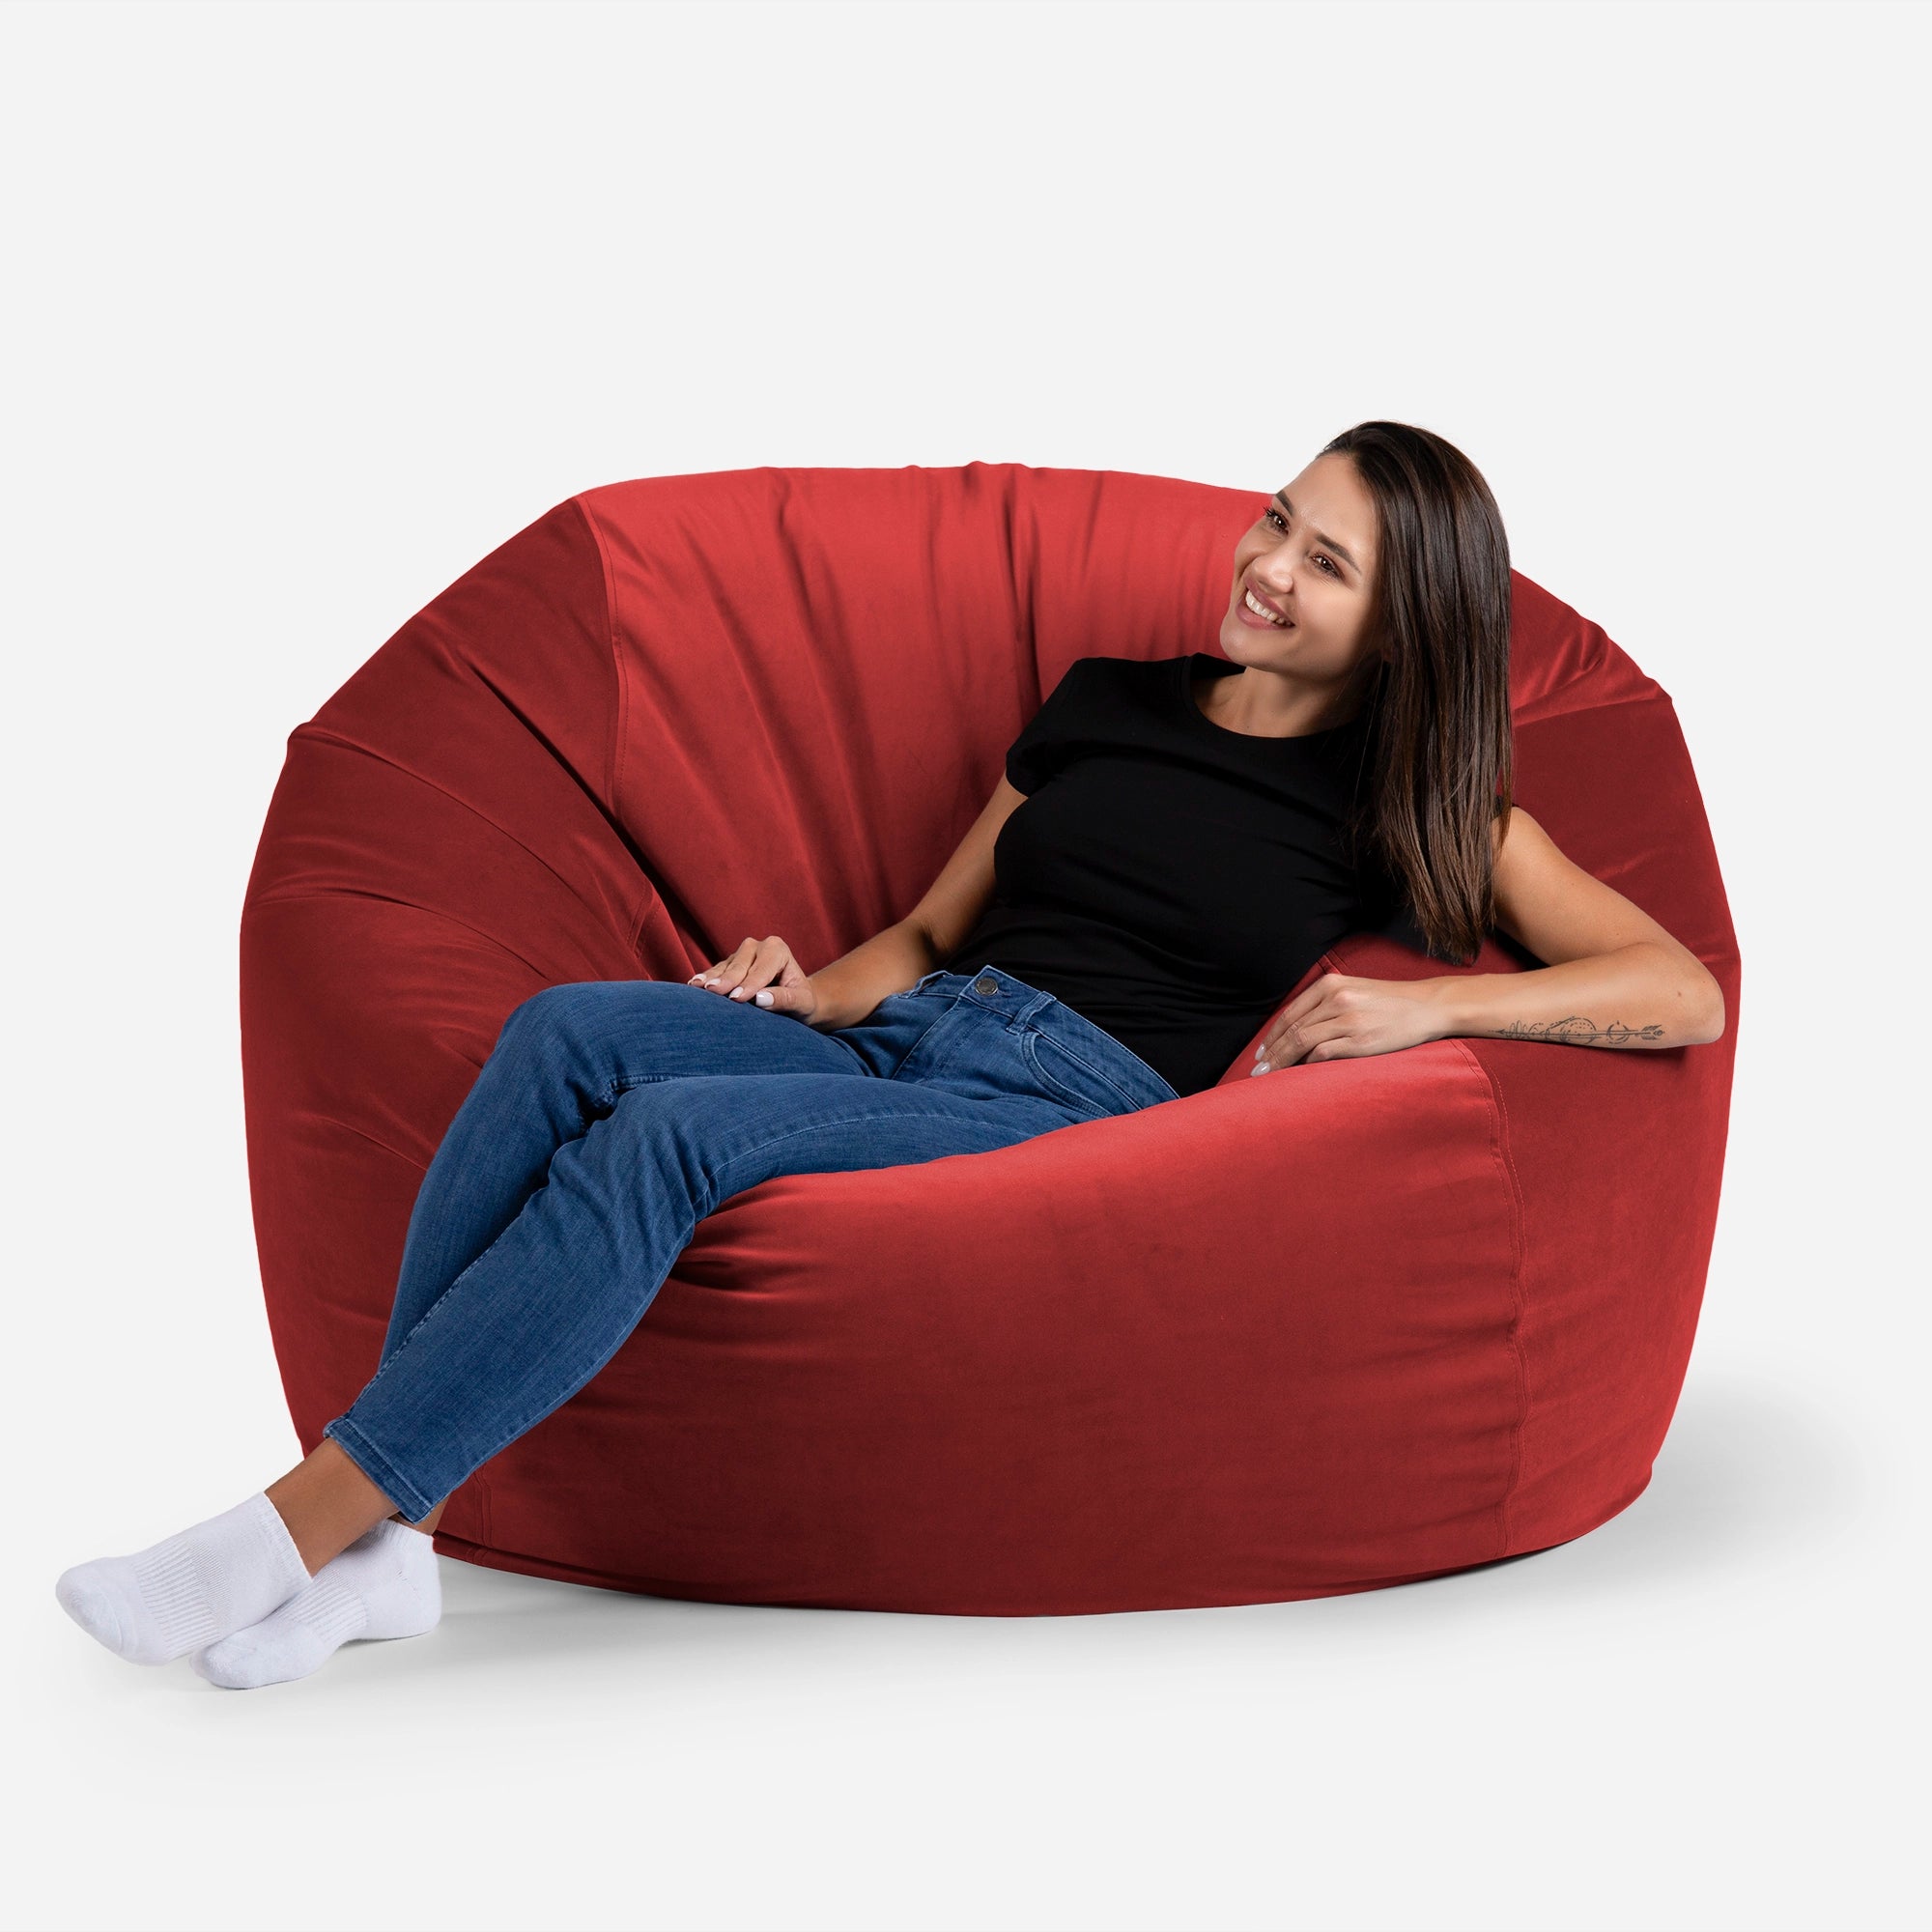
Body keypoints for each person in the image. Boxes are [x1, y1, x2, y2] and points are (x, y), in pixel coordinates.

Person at [54, 421, 1725, 1689]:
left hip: (1066, 1110)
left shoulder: (1411, 807)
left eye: (1327, 564)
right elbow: (927, 937)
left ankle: (292, 1529)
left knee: (669, 1140)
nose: (1267, 567)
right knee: (571, 1028)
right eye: (1279, 519)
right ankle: (392, 1539)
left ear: (1395, 627)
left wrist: (1429, 1009)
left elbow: (1676, 988)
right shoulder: (1109, 700)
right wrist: (791, 991)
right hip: (924, 1034)